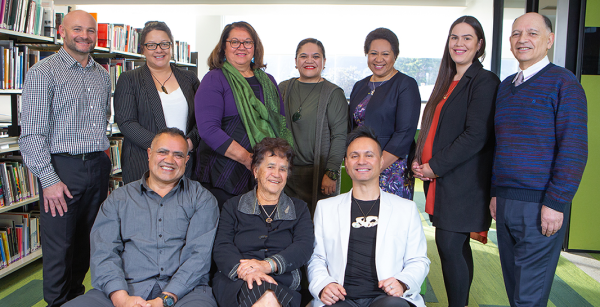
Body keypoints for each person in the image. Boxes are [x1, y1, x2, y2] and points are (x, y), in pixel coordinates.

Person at [490, 12, 587, 307]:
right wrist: (496, 193)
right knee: (514, 287)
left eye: (532, 33)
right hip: (506, 203)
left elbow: (574, 149)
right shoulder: (506, 86)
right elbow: (500, 145)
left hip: (540, 205)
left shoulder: (564, 84)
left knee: (528, 297)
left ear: (549, 40)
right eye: (516, 33)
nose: (523, 39)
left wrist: (556, 203)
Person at [18, 10, 112, 306]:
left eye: (90, 30)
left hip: (97, 166)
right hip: (62, 169)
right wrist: (49, 180)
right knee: (60, 248)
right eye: (77, 29)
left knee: (87, 244)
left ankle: (76, 300)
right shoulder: (43, 72)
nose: (84, 35)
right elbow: (31, 134)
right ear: (61, 31)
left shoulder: (103, 76)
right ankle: (57, 302)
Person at [64, 128, 219, 307]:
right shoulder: (118, 199)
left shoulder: (203, 199)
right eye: (162, 152)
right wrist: (121, 298)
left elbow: (198, 257)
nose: (169, 160)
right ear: (149, 154)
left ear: (186, 160)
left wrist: (165, 299)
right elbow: (104, 253)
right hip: (125, 288)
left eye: (178, 155)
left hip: (185, 293)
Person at [411, 16, 499, 307]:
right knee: (455, 246)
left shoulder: (484, 81)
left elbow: (476, 135)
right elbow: (433, 126)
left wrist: (434, 165)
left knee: (450, 246)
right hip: (444, 182)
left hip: (465, 182)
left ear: (479, 44)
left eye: (467, 38)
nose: (459, 44)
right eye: (454, 38)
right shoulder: (447, 81)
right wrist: (418, 155)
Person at [308, 126, 429, 307]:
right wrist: (324, 285)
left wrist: (403, 283)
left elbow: (418, 260)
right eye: (354, 156)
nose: (361, 161)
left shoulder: (406, 209)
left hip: (388, 298)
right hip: (341, 297)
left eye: (369, 155)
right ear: (346, 164)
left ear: (381, 162)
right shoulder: (326, 208)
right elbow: (316, 257)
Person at [194, 21, 293, 208]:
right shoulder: (215, 79)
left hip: (263, 175)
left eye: (247, 42)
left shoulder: (269, 81)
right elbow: (208, 130)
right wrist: (250, 160)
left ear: (255, 47)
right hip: (223, 173)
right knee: (226, 230)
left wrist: (269, 165)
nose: (241, 47)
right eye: (235, 42)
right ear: (224, 46)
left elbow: (279, 125)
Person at [212, 137, 314, 307]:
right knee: (266, 299)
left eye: (283, 169)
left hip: (281, 281)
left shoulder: (299, 208)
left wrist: (267, 265)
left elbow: (303, 247)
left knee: (268, 298)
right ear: (256, 171)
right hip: (236, 281)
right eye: (271, 167)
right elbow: (222, 246)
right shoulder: (233, 206)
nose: (277, 174)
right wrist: (246, 271)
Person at [114, 21, 200, 184]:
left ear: (171, 46)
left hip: (184, 163)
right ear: (143, 49)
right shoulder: (130, 79)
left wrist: (189, 143)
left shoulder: (190, 79)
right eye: (151, 45)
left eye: (164, 44)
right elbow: (126, 122)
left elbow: (203, 118)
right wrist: (163, 149)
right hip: (143, 164)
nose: (159, 49)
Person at [349, 28, 421, 200]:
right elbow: (351, 129)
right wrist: (360, 165)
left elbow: (404, 134)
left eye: (385, 54)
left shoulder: (405, 85)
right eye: (373, 53)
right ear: (367, 54)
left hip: (393, 170)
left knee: (391, 222)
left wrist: (375, 166)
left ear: (395, 55)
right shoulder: (359, 86)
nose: (379, 59)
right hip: (362, 168)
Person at [279, 38, 347, 214]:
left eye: (316, 56)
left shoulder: (333, 93)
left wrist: (331, 173)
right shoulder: (284, 88)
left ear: (323, 62)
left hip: (318, 174)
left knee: (319, 227)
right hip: (286, 173)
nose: (309, 60)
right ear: (295, 62)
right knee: (286, 224)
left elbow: (339, 136)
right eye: (303, 56)